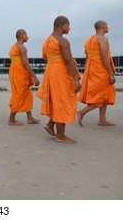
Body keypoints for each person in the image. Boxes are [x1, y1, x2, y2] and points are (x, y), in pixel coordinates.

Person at [37, 16, 81, 144]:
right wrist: (76, 80)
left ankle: (50, 125)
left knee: (57, 100)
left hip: (51, 70)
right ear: (63, 25)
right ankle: (60, 136)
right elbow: (68, 60)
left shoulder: (48, 40)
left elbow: (45, 56)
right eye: (68, 25)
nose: (69, 27)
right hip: (60, 72)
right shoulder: (62, 41)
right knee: (63, 100)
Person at [77, 20, 116, 126]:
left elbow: (87, 57)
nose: (108, 28)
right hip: (101, 69)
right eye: (107, 26)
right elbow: (104, 56)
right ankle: (82, 112)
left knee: (105, 93)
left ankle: (102, 120)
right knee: (100, 95)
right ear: (103, 27)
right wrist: (111, 73)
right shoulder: (102, 38)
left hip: (92, 68)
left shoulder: (89, 40)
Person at [8, 29, 40, 126]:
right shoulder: (21, 48)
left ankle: (29, 117)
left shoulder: (14, 46)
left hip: (15, 70)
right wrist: (34, 77)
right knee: (19, 94)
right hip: (19, 72)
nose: (27, 37)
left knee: (27, 95)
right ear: (22, 35)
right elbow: (26, 63)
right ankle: (11, 119)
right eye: (26, 34)